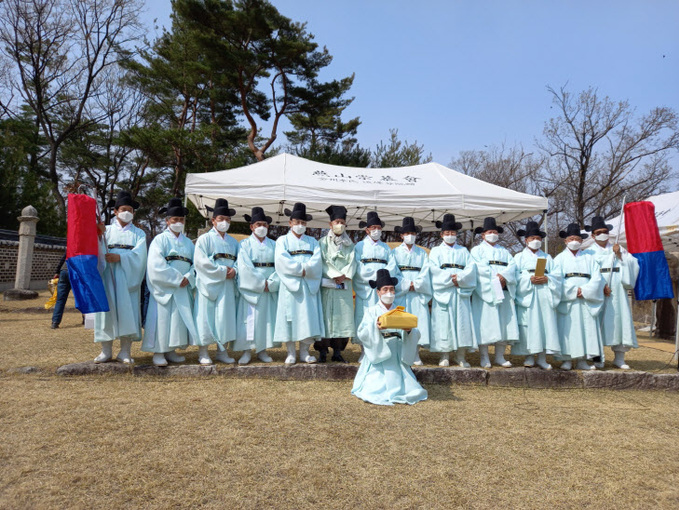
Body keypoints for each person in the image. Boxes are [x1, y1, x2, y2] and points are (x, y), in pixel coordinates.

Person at [351, 269, 428, 406]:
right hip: (379, 352)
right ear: (378, 292)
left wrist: (409, 331)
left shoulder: (400, 311)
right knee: (373, 389)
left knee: (412, 389)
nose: (389, 293)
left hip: (397, 352)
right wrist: (375, 327)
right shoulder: (371, 311)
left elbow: (416, 332)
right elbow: (362, 333)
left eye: (392, 289)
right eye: (385, 289)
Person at [141, 198, 198, 366]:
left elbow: (196, 263)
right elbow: (155, 264)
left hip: (183, 286)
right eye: (175, 220)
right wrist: (176, 278)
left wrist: (189, 277)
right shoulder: (159, 240)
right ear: (167, 221)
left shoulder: (188, 242)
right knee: (162, 319)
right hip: (165, 288)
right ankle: (158, 351)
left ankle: (171, 349)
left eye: (181, 220)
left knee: (177, 320)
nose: (178, 223)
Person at [93, 191, 147, 364]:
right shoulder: (105, 230)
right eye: (124, 209)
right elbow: (95, 249)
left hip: (127, 276)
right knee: (106, 312)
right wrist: (99, 236)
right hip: (107, 274)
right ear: (115, 211)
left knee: (128, 311)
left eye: (130, 209)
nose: (127, 212)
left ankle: (125, 351)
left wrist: (121, 257)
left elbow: (140, 256)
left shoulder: (139, 234)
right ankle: (106, 350)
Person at [585, 215, 639, 369]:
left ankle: (619, 357)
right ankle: (597, 357)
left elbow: (633, 264)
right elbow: (589, 272)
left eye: (605, 231)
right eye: (599, 232)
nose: (603, 234)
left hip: (617, 289)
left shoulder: (618, 248)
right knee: (597, 323)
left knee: (619, 320)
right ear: (593, 235)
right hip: (599, 291)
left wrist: (620, 255)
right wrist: (600, 285)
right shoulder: (588, 253)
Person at [273, 202, 324, 364]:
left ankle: (304, 352)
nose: (300, 226)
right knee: (290, 318)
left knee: (307, 318)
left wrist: (307, 270)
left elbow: (317, 261)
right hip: (290, 285)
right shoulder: (282, 241)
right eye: (297, 222)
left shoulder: (313, 241)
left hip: (308, 285)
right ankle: (290, 352)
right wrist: (300, 270)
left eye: (303, 223)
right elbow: (281, 260)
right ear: (290, 223)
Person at [193, 198, 239, 365]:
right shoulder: (204, 239)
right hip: (208, 284)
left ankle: (222, 351)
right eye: (221, 219)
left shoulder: (234, 242)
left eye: (227, 220)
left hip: (227, 285)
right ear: (213, 220)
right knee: (206, 316)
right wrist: (220, 271)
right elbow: (200, 262)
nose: (224, 222)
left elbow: (240, 262)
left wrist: (235, 270)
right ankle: (203, 352)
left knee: (224, 317)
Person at [427, 214, 477, 367]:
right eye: (447, 233)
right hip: (444, 291)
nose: (450, 236)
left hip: (460, 291)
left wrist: (460, 278)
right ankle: (444, 354)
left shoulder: (463, 251)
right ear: (441, 234)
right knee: (444, 323)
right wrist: (450, 278)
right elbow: (433, 269)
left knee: (462, 322)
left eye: (453, 233)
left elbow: (471, 268)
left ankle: (461, 355)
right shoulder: (435, 251)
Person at [510, 221, 561, 370]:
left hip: (544, 293)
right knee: (529, 325)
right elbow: (514, 276)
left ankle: (542, 357)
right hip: (528, 295)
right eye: (532, 238)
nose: (535, 241)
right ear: (526, 240)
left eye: (538, 238)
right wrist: (528, 279)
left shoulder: (548, 257)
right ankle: (529, 356)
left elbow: (557, 276)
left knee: (545, 324)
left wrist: (548, 279)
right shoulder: (518, 257)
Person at [553, 223, 604, 371]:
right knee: (568, 329)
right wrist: (573, 291)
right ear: (565, 241)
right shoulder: (559, 259)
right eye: (571, 238)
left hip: (586, 299)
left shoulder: (590, 258)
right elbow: (556, 279)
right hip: (569, 300)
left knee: (586, 329)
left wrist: (586, 290)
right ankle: (566, 359)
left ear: (581, 241)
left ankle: (583, 360)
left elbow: (597, 277)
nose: (574, 241)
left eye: (577, 238)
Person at [470, 217, 519, 368]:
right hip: (486, 292)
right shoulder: (476, 250)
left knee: (504, 323)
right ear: (483, 235)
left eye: (495, 232)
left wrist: (504, 276)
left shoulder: (504, 251)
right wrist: (494, 279)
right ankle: (484, 356)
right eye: (489, 232)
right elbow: (478, 268)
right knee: (486, 323)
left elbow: (513, 266)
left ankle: (500, 356)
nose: (493, 234)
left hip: (504, 291)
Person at [233, 207, 279, 364]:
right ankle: (246, 351)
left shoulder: (274, 244)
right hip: (251, 288)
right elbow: (244, 267)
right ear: (251, 226)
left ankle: (262, 350)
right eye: (258, 224)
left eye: (265, 225)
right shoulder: (244, 244)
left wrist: (271, 282)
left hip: (269, 287)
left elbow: (280, 266)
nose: (262, 227)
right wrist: (260, 283)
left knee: (265, 320)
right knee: (249, 319)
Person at [315, 205, 356, 363]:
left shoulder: (349, 243)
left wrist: (344, 275)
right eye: (337, 221)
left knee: (343, 317)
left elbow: (353, 261)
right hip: (328, 285)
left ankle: (338, 351)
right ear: (330, 224)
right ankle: (322, 351)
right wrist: (334, 275)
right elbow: (322, 261)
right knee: (325, 318)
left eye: (342, 222)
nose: (340, 225)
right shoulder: (322, 242)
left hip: (343, 285)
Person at [353, 211, 399, 350]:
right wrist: (374, 276)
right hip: (366, 287)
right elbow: (357, 264)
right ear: (367, 230)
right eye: (373, 228)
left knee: (383, 315)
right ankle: (364, 350)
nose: (376, 231)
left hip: (383, 287)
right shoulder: (359, 246)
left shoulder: (385, 247)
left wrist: (382, 279)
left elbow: (392, 265)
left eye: (379, 228)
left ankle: (385, 345)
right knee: (365, 317)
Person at [393, 216, 431, 366]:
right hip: (401, 292)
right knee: (400, 322)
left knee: (417, 321)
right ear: (401, 235)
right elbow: (393, 271)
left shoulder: (422, 253)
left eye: (413, 233)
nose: (410, 236)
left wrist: (416, 284)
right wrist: (405, 284)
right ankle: (401, 352)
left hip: (417, 292)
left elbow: (426, 271)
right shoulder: (394, 253)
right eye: (407, 233)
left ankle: (415, 353)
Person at [50, 253, 71, 329]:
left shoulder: (72, 244)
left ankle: (55, 322)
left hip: (64, 270)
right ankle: (86, 319)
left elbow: (63, 258)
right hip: (76, 271)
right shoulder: (86, 245)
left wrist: (57, 272)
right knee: (82, 297)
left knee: (60, 299)